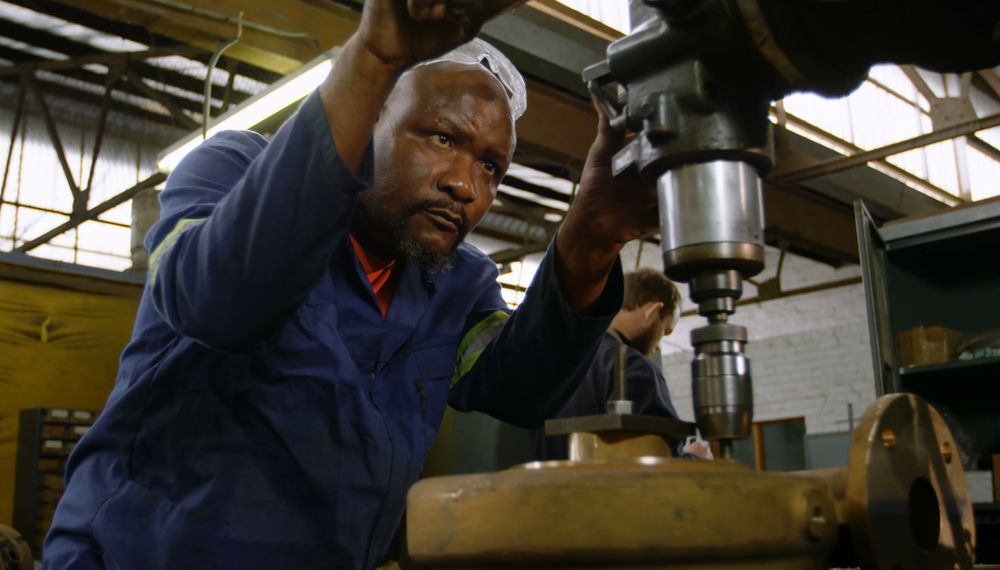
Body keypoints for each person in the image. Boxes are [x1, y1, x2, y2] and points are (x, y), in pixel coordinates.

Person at [43, 1, 660, 568]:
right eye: (443, 138)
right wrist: (373, 60)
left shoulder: (460, 283)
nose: (466, 186)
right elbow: (218, 300)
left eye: (490, 166)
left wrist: (592, 237)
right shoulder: (233, 171)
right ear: (372, 120)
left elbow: (520, 388)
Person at [533, 268, 703, 461]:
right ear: (652, 312)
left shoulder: (557, 362)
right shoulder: (634, 366)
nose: (658, 347)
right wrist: (695, 457)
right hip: (607, 490)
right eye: (665, 331)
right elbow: (657, 461)